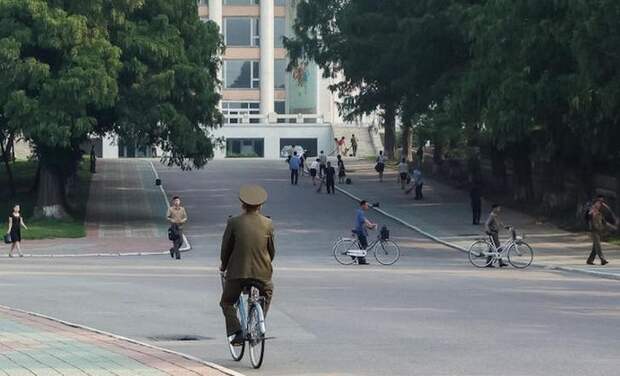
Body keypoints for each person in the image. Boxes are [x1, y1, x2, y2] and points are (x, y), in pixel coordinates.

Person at [220, 185, 275, 346]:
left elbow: (226, 249)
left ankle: (237, 332)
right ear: (261, 205)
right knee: (267, 292)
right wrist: (265, 263)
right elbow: (271, 251)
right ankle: (258, 324)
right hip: (262, 273)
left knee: (227, 302)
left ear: (242, 204)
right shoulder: (268, 223)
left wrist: (223, 266)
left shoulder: (233, 222)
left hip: (237, 272)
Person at [587, 198, 617, 265]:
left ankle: (589, 260)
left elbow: (604, 222)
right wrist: (591, 212)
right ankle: (602, 259)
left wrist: (613, 227)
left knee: (595, 247)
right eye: (598, 203)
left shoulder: (600, 213)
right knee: (598, 246)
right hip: (593, 231)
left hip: (599, 231)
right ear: (594, 203)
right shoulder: (591, 211)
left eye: (600, 203)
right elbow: (588, 217)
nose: (599, 204)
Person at [354, 200, 377, 265]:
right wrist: (371, 225)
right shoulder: (360, 212)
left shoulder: (360, 212)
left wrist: (370, 226)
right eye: (367, 205)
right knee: (364, 245)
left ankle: (361, 260)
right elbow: (364, 220)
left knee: (362, 246)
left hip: (361, 230)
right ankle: (359, 258)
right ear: (363, 205)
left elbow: (364, 221)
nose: (367, 207)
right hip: (360, 231)